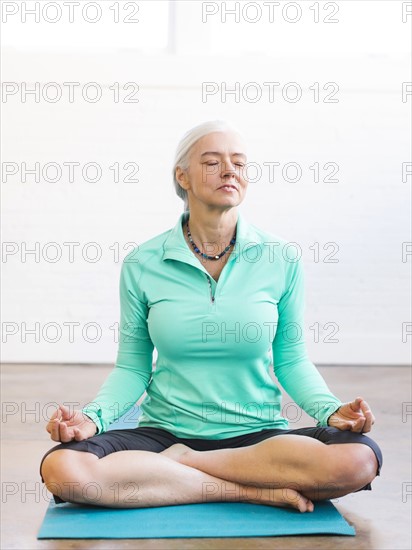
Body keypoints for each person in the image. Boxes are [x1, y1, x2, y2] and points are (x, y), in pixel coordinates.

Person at [40, 120, 382, 513]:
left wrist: (331, 411)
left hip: (258, 440)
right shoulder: (143, 263)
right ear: (182, 177)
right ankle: (251, 491)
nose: (229, 171)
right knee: (64, 468)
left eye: (239, 163)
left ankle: (187, 468)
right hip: (164, 434)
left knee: (359, 461)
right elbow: (133, 368)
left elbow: (291, 360)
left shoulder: (280, 259)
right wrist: (94, 419)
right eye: (212, 162)